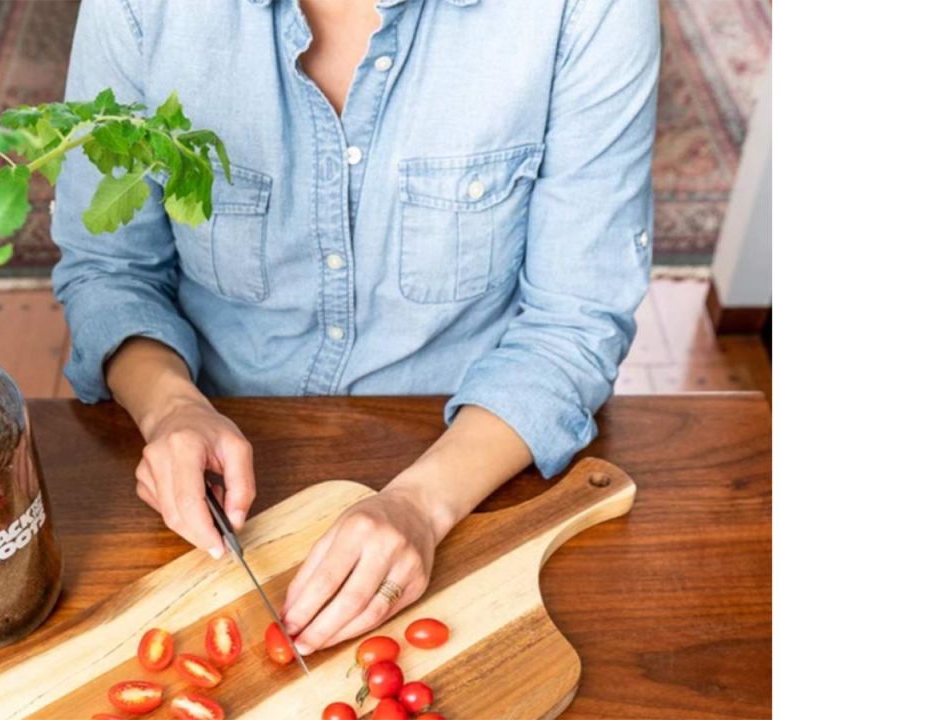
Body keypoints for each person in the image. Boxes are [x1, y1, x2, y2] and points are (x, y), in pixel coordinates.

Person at [51, 0, 659, 657]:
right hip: (214, 486)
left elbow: (574, 321)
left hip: (477, 468)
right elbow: (111, 270)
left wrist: (423, 506)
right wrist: (171, 407)